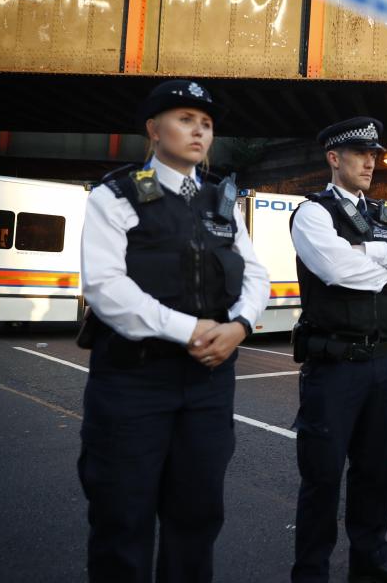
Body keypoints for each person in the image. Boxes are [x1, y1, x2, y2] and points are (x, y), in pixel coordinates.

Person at [77, 79, 270, 582]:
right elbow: (104, 287)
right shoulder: (115, 194)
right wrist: (193, 330)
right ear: (153, 129)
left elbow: (254, 274)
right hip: (131, 384)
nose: (199, 131)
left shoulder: (220, 199)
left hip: (206, 386)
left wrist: (241, 325)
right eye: (186, 119)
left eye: (206, 124)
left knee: (197, 517)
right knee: (123, 518)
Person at [289, 117, 387, 583]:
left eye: (374, 153)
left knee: (375, 472)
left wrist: (368, 252)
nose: (371, 162)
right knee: (323, 477)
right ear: (334, 158)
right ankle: (311, 571)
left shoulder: (385, 214)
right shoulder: (313, 213)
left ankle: (370, 559)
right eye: (360, 154)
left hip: (379, 363)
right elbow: (336, 271)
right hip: (333, 366)